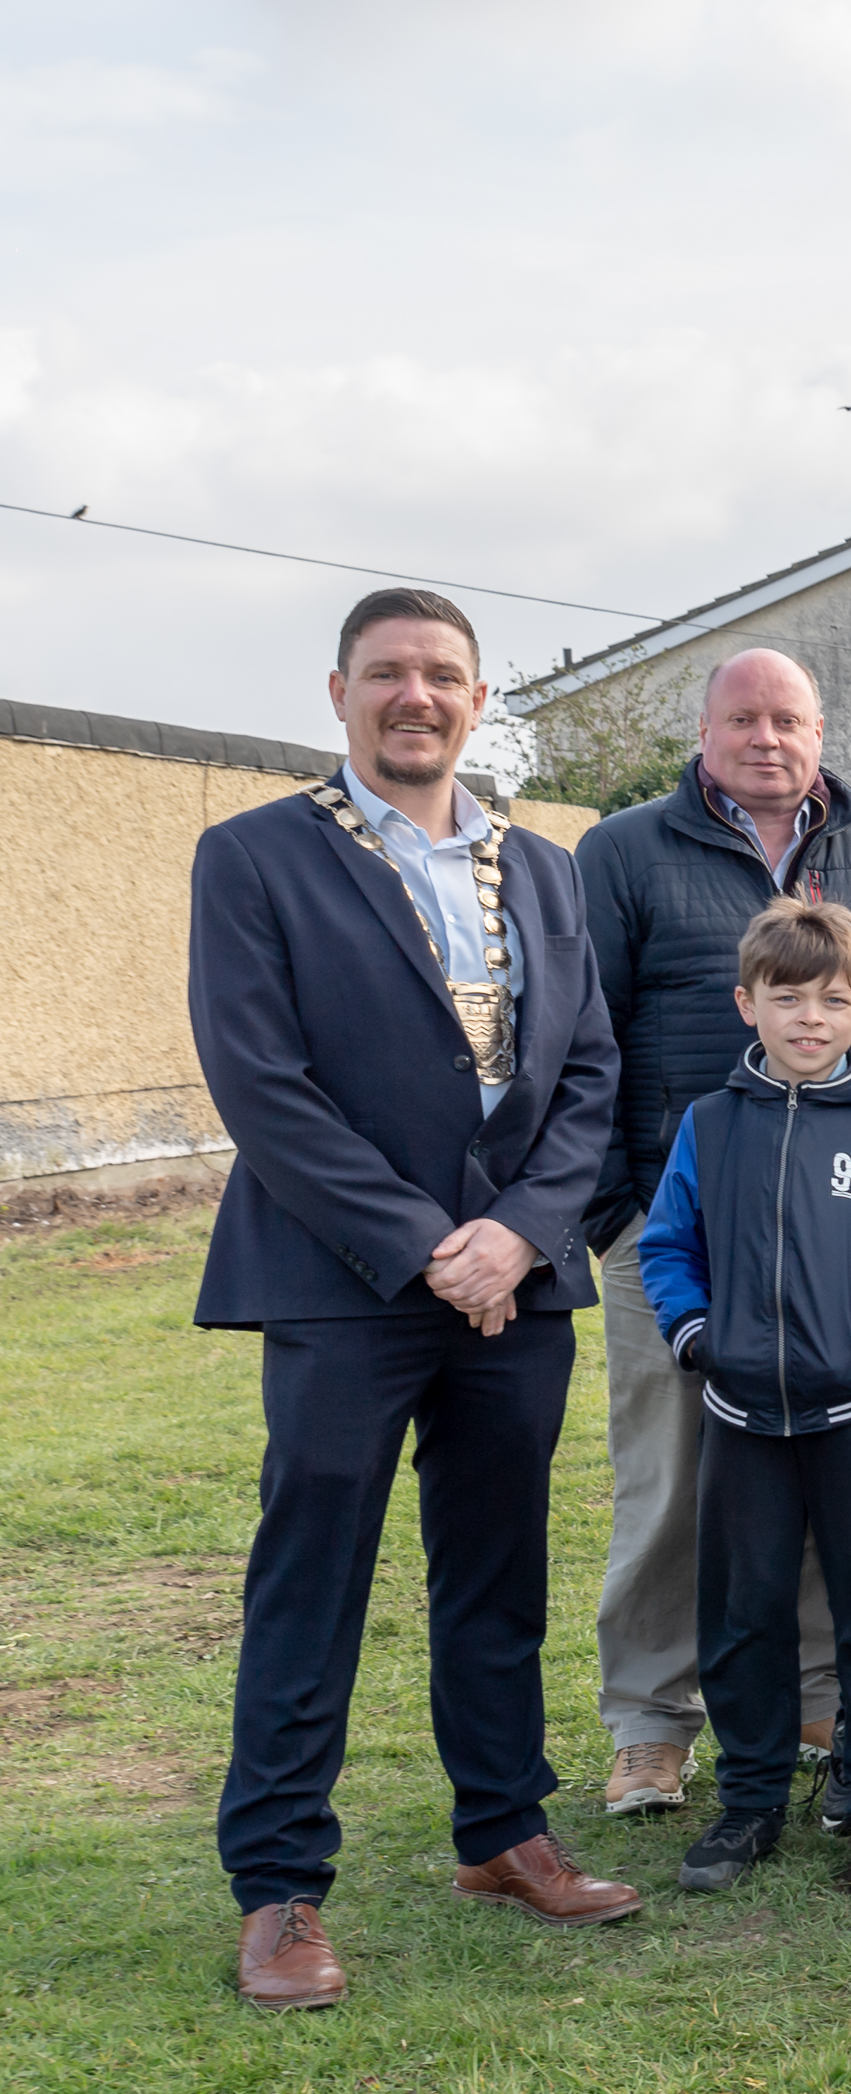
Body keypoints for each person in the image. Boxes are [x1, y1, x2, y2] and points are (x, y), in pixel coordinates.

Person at [196, 588, 639, 2009]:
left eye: (443, 676)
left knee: (498, 1565)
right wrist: (426, 1244)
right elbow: (264, 1087)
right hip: (343, 1279)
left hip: (518, 1281)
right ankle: (278, 1886)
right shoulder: (253, 858)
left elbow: (588, 1077)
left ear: (476, 696)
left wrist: (514, 1236)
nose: (416, 698)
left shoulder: (549, 870)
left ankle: (504, 1831)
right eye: (388, 675)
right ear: (339, 694)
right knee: (313, 1577)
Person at [578, 647, 851, 1816]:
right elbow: (585, 1036)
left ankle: (818, 1692)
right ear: (704, 729)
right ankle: (653, 1723)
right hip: (676, 1223)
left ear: (820, 732)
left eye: (790, 720)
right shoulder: (623, 853)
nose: (768, 738)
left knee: (817, 1457)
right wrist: (618, 1208)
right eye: (744, 718)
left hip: (833, 1231)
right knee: (670, 1479)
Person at [637, 900, 851, 1900]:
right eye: (786, 998)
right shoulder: (710, 1125)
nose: (809, 1018)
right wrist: (694, 1330)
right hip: (743, 1422)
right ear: (747, 1004)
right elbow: (667, 1246)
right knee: (744, 1617)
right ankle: (748, 1804)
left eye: (833, 1000)